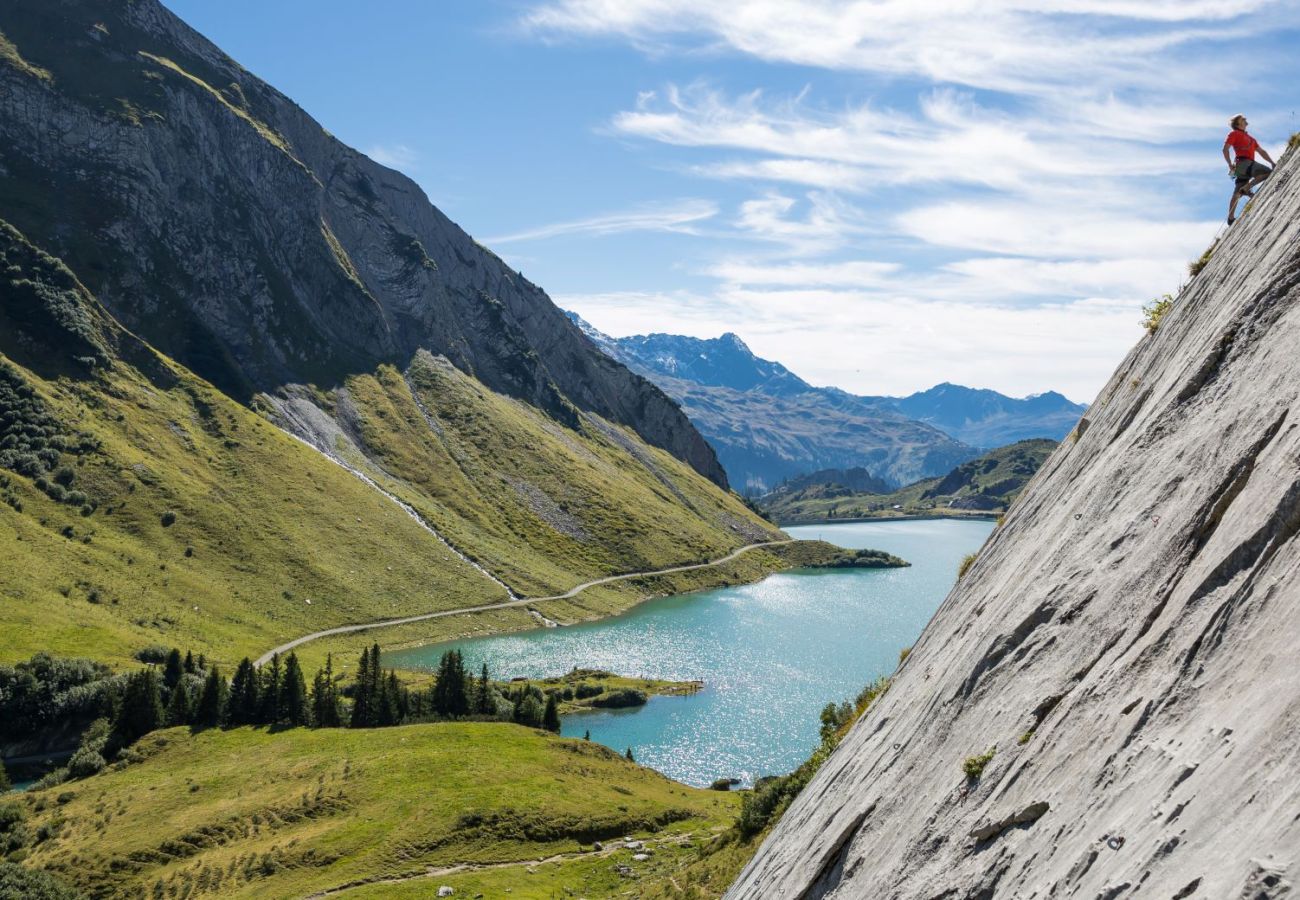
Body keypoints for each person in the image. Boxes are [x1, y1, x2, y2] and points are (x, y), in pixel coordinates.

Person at [1223, 114, 1275, 225]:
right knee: (1268, 172)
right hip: (1244, 163)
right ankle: (1247, 188)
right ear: (1237, 123)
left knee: (1237, 192)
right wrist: (1229, 164)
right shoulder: (1234, 133)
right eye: (1243, 119)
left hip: (1241, 166)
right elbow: (1225, 149)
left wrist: (1271, 162)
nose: (1245, 120)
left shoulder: (1251, 139)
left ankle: (1230, 219)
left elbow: (1262, 152)